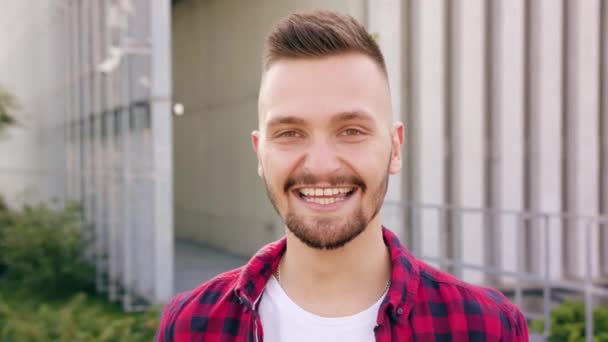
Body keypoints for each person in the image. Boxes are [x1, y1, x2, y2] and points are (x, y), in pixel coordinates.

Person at [156, 10, 528, 342]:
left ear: (395, 148)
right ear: (260, 153)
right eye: (289, 133)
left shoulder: (487, 328)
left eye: (351, 130)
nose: (320, 165)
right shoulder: (192, 327)